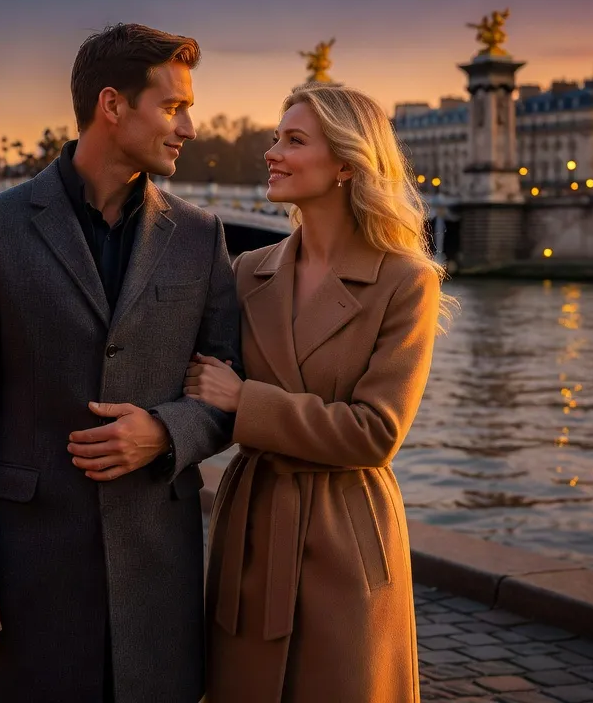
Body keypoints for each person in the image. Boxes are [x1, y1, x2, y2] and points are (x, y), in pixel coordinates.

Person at [0, 23, 240, 702]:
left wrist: (164, 431)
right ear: (112, 105)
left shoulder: (202, 237)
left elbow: (225, 393)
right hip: (25, 565)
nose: (189, 126)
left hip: (157, 569)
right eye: (173, 106)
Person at [186, 82, 447, 702]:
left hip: (345, 533)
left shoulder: (406, 281)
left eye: (294, 140)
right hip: (252, 524)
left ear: (347, 165)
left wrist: (245, 400)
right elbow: (194, 379)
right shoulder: (248, 272)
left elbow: (376, 433)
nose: (272, 153)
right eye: (276, 138)